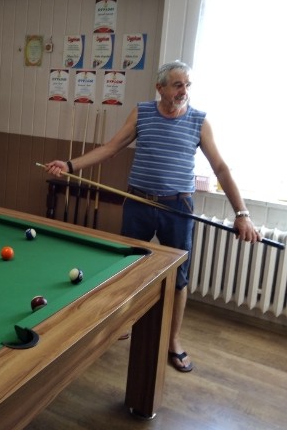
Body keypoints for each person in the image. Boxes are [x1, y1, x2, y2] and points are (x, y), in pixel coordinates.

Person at [44, 60, 260, 372]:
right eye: (177, 85)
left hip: (178, 208)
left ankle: (173, 340)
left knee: (179, 278)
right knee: (128, 268)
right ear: (160, 88)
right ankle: (126, 321)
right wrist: (69, 165)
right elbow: (111, 148)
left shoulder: (199, 121)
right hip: (139, 204)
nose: (184, 91)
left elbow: (221, 169)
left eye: (187, 85)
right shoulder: (142, 113)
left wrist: (242, 214)